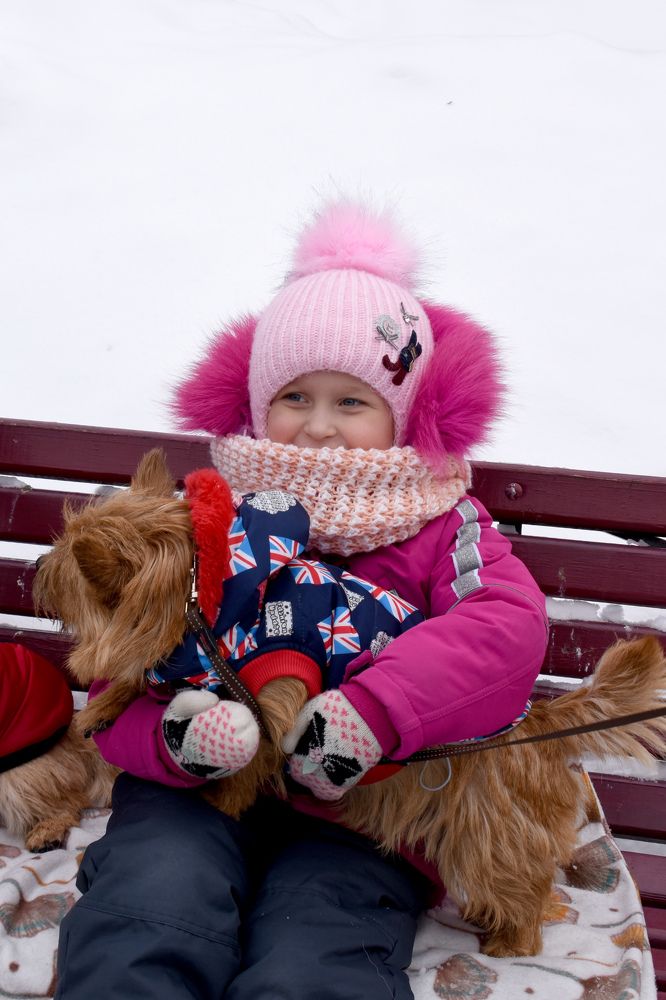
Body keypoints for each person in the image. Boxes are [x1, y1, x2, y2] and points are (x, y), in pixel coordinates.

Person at [55, 199, 548, 999]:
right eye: (295, 398)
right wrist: (173, 739)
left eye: (351, 402)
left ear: (405, 413)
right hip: (196, 798)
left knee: (315, 959)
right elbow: (118, 672)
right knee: (149, 909)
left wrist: (380, 710)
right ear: (256, 404)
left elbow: (505, 629)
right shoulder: (203, 512)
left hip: (361, 814)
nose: (317, 428)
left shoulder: (443, 522)